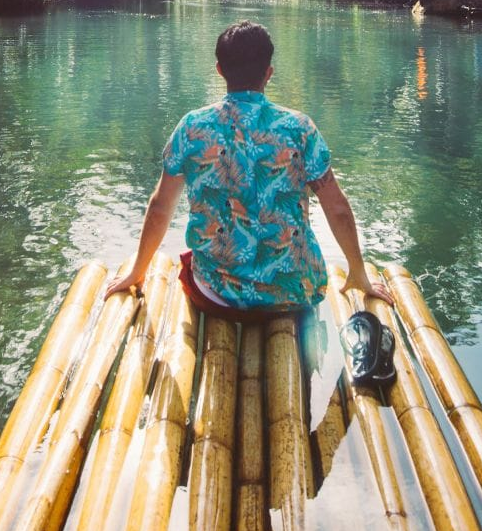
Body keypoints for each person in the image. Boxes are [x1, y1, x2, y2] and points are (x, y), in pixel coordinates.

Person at [105, 20, 393, 315]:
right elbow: (338, 208)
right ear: (269, 73)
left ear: (219, 70)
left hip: (216, 293)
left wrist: (137, 270)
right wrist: (358, 271)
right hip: (293, 292)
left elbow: (160, 207)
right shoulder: (299, 128)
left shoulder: (192, 127)